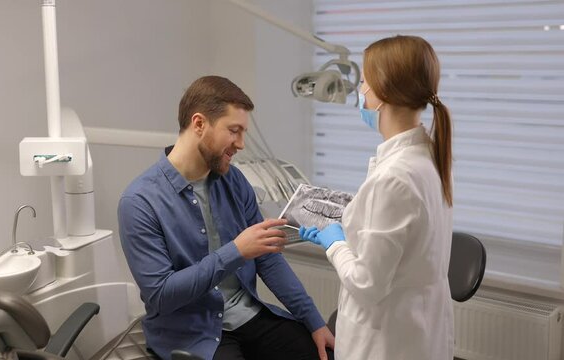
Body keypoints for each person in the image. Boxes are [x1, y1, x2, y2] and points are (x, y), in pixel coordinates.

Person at [118, 75, 334, 360]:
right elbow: (161, 296)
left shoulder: (234, 181)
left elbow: (267, 258)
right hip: (190, 331)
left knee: (322, 354)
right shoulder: (139, 202)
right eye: (234, 131)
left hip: (248, 316)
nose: (241, 144)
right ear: (199, 124)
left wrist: (314, 321)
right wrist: (236, 252)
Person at [300, 35, 454, 359]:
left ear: (381, 93)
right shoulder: (428, 158)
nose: (361, 92)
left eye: (365, 83)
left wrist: (334, 243)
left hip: (386, 342)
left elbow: (367, 284)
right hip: (417, 330)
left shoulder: (395, 177)